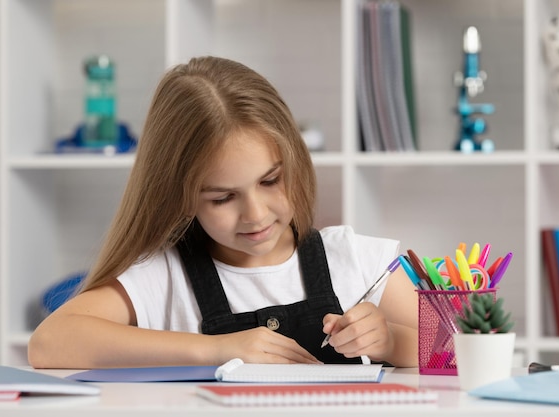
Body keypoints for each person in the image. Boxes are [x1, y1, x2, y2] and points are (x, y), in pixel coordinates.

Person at [28, 56, 418, 369]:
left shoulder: (357, 260)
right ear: (180, 196)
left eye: (270, 181)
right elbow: (49, 343)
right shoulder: (164, 275)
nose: (255, 213)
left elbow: (453, 349)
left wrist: (392, 341)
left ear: (295, 162)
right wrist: (216, 349)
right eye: (222, 198)